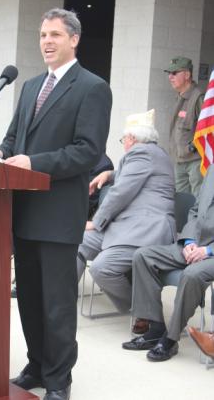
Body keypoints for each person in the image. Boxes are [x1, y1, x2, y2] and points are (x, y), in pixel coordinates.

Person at [0, 8, 112, 400]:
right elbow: (13, 140)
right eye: (43, 34)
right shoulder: (29, 86)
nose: (47, 41)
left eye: (55, 35)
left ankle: (59, 382)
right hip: (22, 212)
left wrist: (33, 162)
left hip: (58, 215)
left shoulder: (92, 88)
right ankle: (37, 366)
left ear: (73, 39)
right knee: (28, 299)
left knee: (57, 306)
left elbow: (87, 152)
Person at [77, 109, 176, 314]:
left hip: (145, 231)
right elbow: (130, 176)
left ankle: (141, 309)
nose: (123, 143)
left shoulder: (142, 153)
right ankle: (64, 296)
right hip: (127, 228)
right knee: (78, 240)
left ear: (131, 138)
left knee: (101, 268)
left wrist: (96, 222)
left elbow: (120, 193)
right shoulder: (150, 154)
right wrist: (109, 174)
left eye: (123, 138)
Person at [122, 164, 214, 362]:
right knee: (143, 256)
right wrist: (190, 241)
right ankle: (155, 327)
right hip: (195, 243)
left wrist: (207, 251)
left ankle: (170, 339)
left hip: (211, 252)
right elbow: (196, 210)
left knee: (192, 274)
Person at [164, 56, 203, 196]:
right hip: (179, 161)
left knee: (198, 200)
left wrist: (192, 147)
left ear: (187, 75)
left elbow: (208, 127)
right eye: (169, 73)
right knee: (182, 200)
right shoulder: (180, 96)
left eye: (174, 73)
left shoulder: (198, 97)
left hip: (195, 161)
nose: (170, 77)